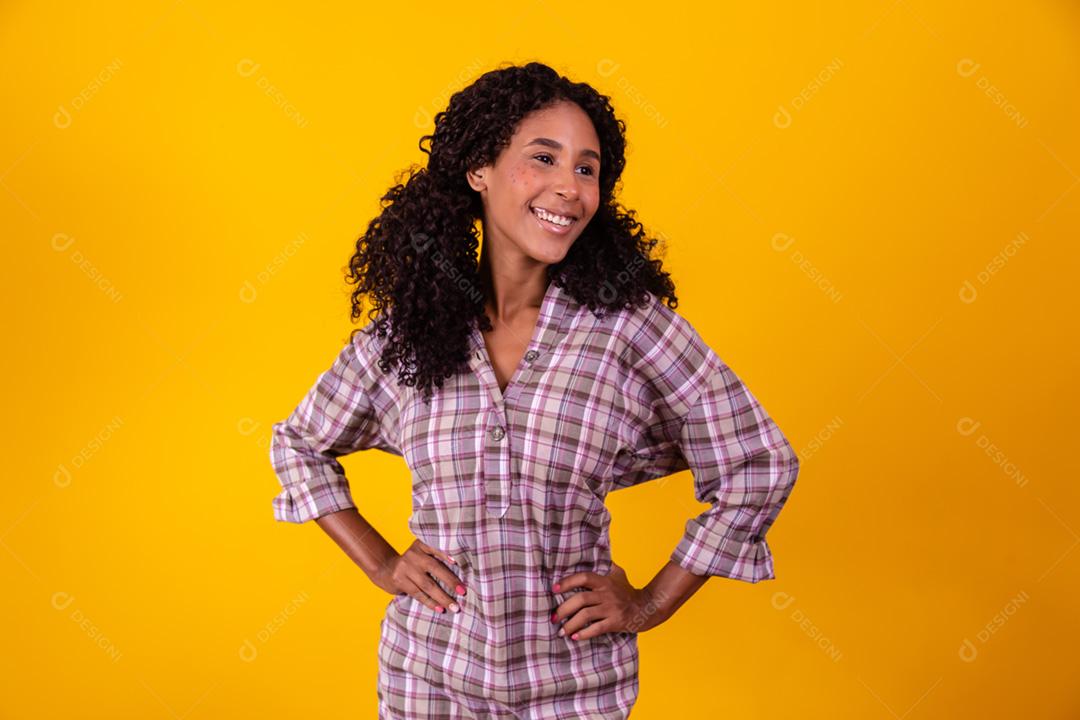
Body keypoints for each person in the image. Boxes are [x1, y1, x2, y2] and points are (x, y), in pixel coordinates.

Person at [269, 61, 800, 719]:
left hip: (575, 689)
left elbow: (759, 462)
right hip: (427, 683)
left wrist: (651, 603)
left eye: (587, 168)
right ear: (478, 170)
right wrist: (381, 564)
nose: (569, 189)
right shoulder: (409, 334)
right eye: (542, 158)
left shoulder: (627, 328)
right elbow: (299, 444)